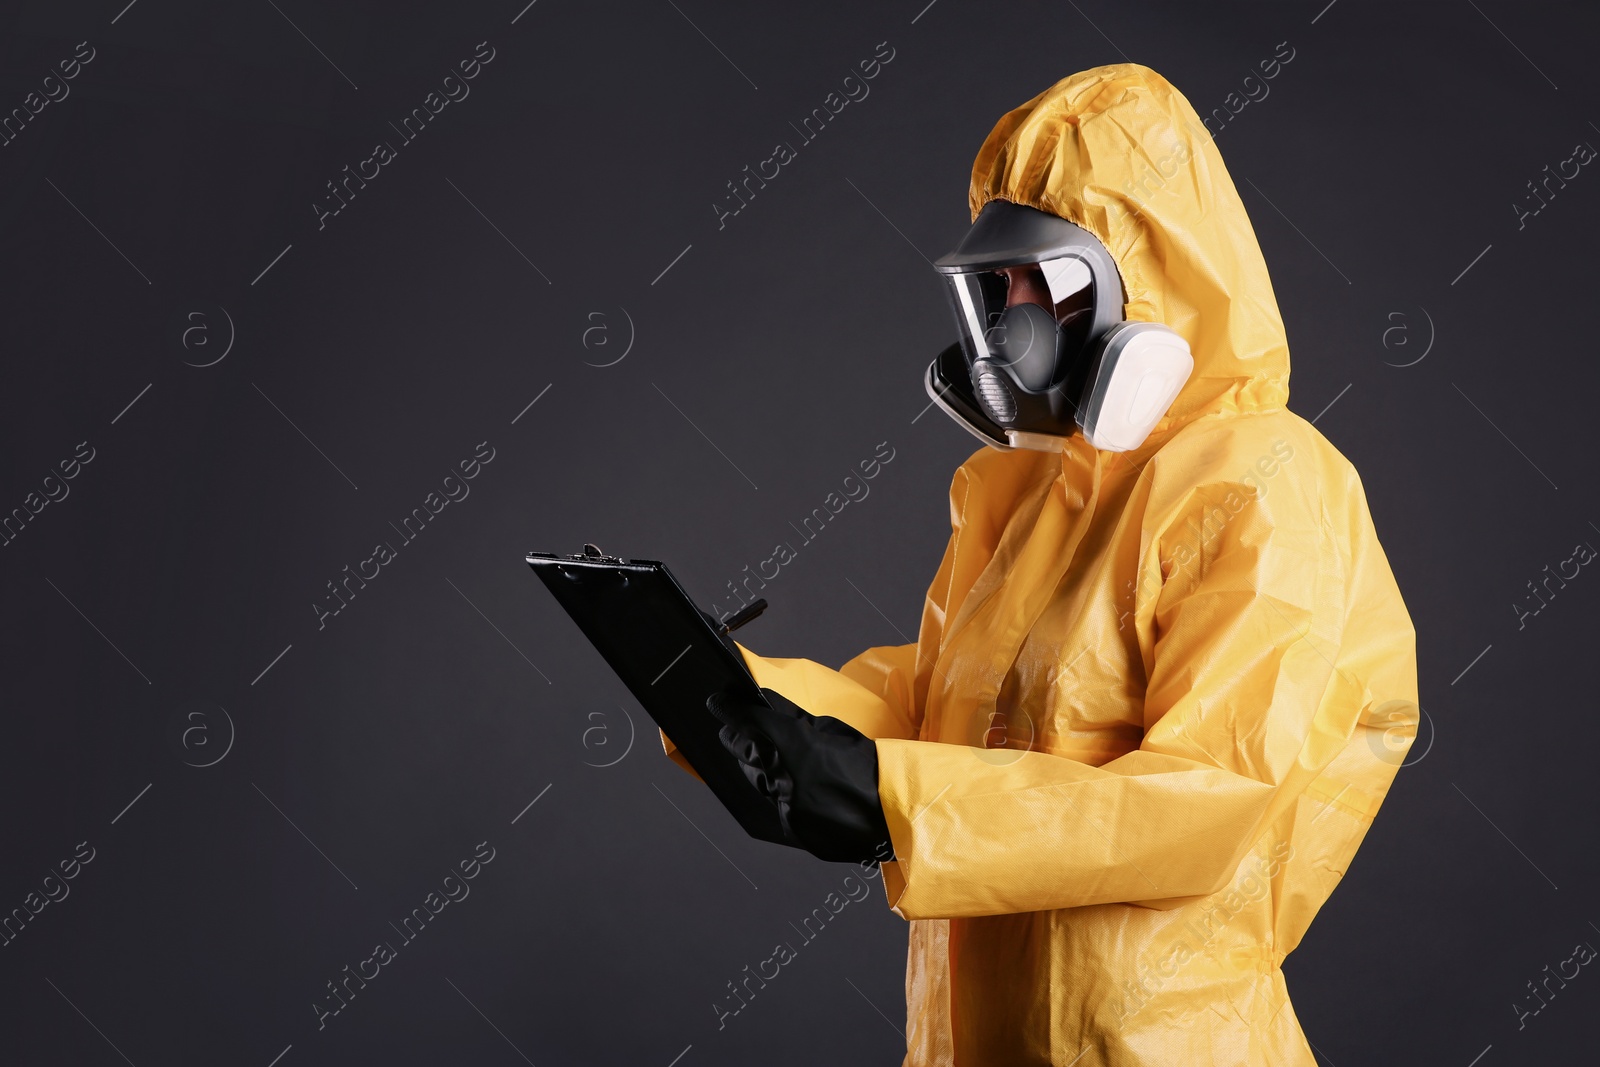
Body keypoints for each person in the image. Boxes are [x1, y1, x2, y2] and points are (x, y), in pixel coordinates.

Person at [664, 63, 1418, 1066]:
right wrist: (739, 695)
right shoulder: (1024, 491)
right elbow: (937, 705)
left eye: (1038, 281)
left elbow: (1204, 805)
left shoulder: (1266, 485)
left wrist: (886, 793)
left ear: (1142, 279)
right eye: (992, 285)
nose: (1005, 318)